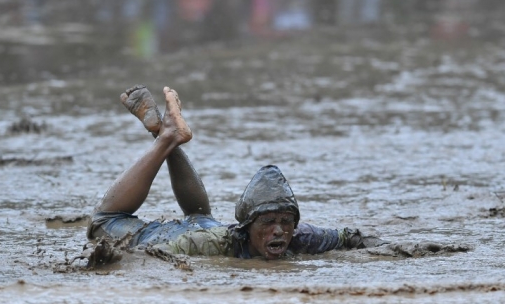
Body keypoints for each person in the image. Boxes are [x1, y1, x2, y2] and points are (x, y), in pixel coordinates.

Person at [87, 85, 385, 260]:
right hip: (172, 235)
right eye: (268, 222)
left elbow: (351, 237)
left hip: (204, 222)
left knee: (200, 211)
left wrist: (411, 249)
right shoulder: (210, 245)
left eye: (286, 222)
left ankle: (166, 134)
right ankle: (166, 138)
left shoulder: (300, 237)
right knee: (101, 221)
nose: (279, 231)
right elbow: (151, 256)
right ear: (247, 227)